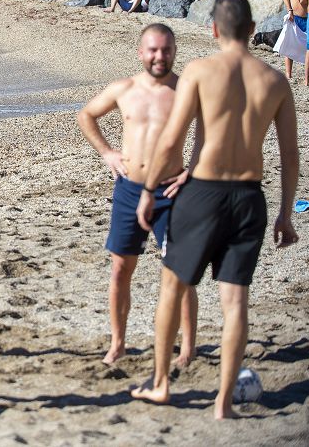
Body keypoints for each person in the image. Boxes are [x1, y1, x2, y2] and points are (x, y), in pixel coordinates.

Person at [131, 0, 299, 419]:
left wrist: (149, 190)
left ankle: (162, 383)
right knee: (235, 301)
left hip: (204, 192)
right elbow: (290, 154)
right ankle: (223, 403)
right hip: (249, 197)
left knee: (172, 286)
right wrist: (285, 213)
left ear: (213, 30)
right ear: (251, 28)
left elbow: (172, 137)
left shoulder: (201, 71)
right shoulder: (276, 80)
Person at [77, 25, 198, 367]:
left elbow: (211, 126)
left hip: (172, 190)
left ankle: (188, 348)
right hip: (130, 189)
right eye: (153, 50)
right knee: (120, 270)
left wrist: (194, 166)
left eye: (166, 50)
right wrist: (106, 152)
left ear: (175, 51)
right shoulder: (124, 89)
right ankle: (118, 343)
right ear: (140, 52)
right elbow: (86, 115)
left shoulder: (185, 91)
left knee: (180, 272)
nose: (159, 56)